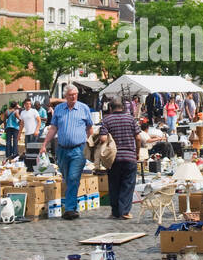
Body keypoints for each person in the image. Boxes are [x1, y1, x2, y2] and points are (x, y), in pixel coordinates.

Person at [42, 84, 95, 220]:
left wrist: (88, 143)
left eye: (75, 94)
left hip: (79, 149)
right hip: (62, 150)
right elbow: (53, 128)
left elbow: (90, 128)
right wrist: (44, 144)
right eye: (71, 95)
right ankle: (70, 204)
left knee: (73, 177)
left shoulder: (83, 108)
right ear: (65, 96)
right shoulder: (59, 109)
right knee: (67, 177)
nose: (73, 97)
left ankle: (70, 209)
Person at [98, 99, 139, 219]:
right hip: (130, 156)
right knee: (128, 185)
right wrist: (137, 153)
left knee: (114, 185)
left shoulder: (106, 120)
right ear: (123, 108)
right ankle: (125, 212)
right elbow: (138, 137)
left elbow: (103, 139)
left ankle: (115, 212)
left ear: (110, 108)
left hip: (114, 158)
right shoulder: (131, 119)